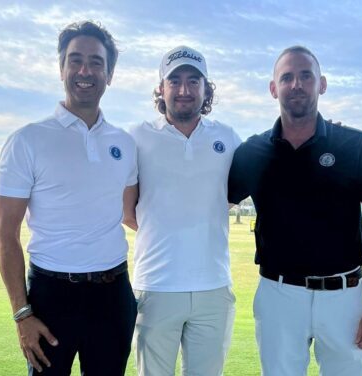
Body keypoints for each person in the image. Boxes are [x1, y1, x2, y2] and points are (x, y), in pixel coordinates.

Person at [228, 46, 362, 376]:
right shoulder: (253, 151)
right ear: (273, 88)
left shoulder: (355, 145)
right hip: (278, 296)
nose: (297, 84)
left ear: (322, 84)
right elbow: (210, 207)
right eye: (287, 77)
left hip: (345, 298)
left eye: (306, 75)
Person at [0, 21, 137, 375]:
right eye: (75, 60)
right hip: (51, 296)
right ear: (61, 69)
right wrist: (21, 313)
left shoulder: (125, 144)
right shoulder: (27, 140)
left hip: (113, 293)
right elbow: (4, 235)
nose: (85, 71)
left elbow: (131, 213)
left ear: (110, 74)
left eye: (96, 62)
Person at [123, 46, 240, 376]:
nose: (185, 90)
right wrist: (163, 226)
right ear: (161, 87)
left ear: (206, 88)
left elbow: (230, 195)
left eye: (194, 80)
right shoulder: (137, 136)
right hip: (156, 286)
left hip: (213, 288)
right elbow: (127, 210)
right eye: (175, 80)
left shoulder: (227, 137)